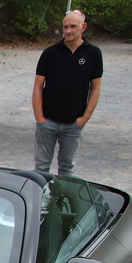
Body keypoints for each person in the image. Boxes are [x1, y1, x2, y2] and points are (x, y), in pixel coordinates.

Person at [32, 10, 104, 177]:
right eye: (65, 27)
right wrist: (40, 118)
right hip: (48, 121)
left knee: (66, 168)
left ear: (83, 27)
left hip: (73, 123)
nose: (68, 31)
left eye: (73, 26)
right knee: (41, 168)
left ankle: (62, 194)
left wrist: (84, 118)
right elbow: (38, 86)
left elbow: (95, 88)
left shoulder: (93, 53)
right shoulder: (50, 53)